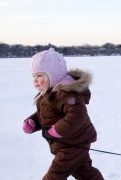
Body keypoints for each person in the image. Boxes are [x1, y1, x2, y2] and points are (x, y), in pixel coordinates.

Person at [22, 48, 104, 180]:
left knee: (55, 175)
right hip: (69, 142)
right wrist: (33, 122)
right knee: (84, 172)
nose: (35, 80)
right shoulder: (50, 93)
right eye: (34, 76)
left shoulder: (66, 93)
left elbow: (77, 115)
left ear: (53, 75)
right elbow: (47, 113)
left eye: (40, 75)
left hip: (73, 143)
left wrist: (57, 130)